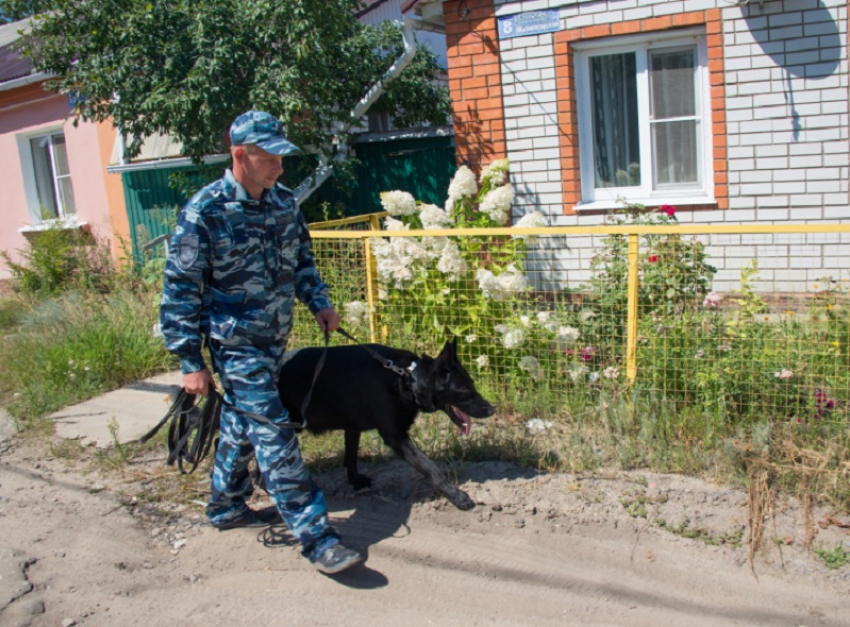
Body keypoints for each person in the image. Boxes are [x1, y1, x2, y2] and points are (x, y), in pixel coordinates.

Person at [160, 110, 363, 575]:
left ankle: (225, 505)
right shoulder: (204, 212)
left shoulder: (284, 202)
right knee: (273, 428)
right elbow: (179, 291)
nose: (279, 167)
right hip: (234, 345)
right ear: (240, 155)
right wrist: (190, 360)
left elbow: (303, 260)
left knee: (242, 421)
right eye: (269, 157)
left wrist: (319, 303)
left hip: (276, 337)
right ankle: (316, 536)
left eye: (280, 157)